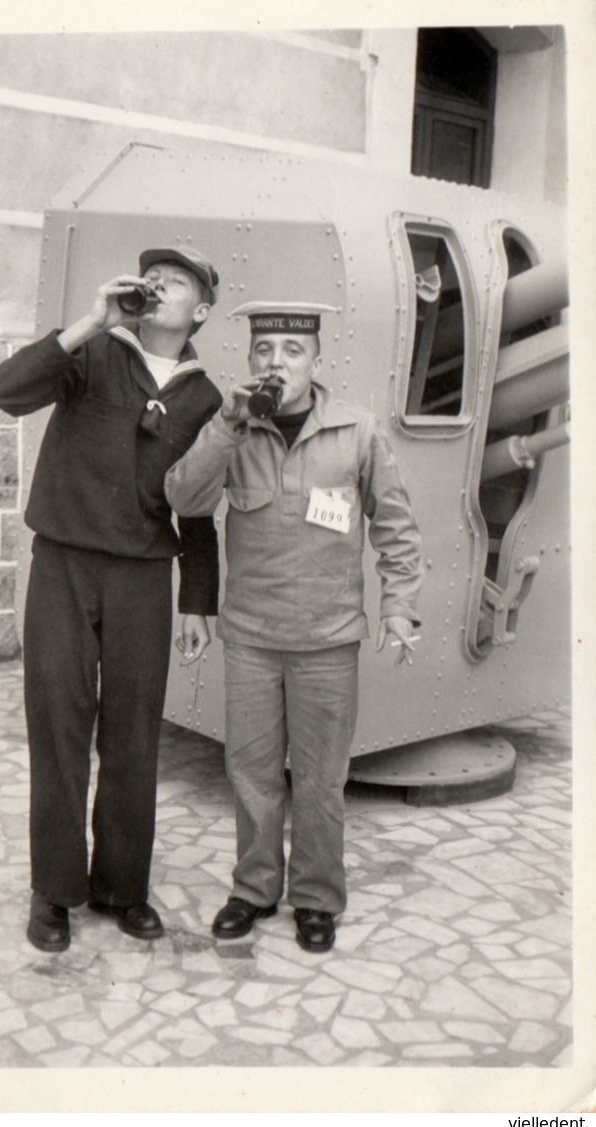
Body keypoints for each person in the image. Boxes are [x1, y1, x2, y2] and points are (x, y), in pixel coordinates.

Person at [164, 301, 423, 953]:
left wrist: (398, 605)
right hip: (251, 638)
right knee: (250, 774)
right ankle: (253, 889)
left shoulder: (357, 431)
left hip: (327, 642)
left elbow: (395, 527)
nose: (274, 362)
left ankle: (315, 897)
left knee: (318, 778)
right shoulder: (234, 431)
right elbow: (183, 498)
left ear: (314, 360)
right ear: (250, 362)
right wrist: (226, 423)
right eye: (263, 351)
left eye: (289, 350)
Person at [0, 246, 222, 952]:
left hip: (143, 578)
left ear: (200, 309)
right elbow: (6, 391)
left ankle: (122, 888)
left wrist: (196, 603)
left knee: (133, 735)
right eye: (152, 274)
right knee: (58, 725)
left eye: (175, 280)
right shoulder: (93, 355)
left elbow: (199, 509)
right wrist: (88, 321)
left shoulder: (205, 397)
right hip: (62, 564)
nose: (157, 283)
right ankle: (53, 892)